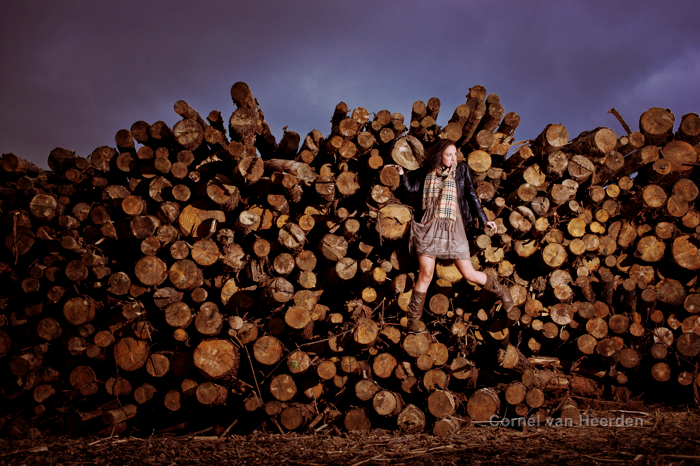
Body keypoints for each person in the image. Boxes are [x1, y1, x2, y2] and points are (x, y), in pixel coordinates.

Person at [389, 139, 514, 332]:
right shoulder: (428, 172)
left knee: (468, 273)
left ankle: (503, 293)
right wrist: (401, 173)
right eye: (449, 155)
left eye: (455, 154)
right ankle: (413, 321)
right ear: (439, 155)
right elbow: (411, 190)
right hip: (430, 224)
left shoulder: (461, 169)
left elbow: (471, 194)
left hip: (452, 225)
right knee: (426, 273)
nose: (454, 158)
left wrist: (484, 219)